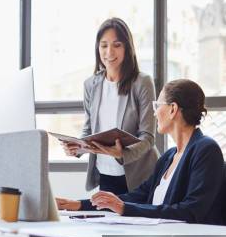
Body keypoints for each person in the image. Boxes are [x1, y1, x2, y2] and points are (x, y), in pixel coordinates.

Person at [57, 79, 225, 225]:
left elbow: (190, 211)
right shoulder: (168, 157)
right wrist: (77, 204)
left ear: (173, 109)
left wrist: (124, 208)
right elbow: (138, 196)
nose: (154, 112)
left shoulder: (205, 150)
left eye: (157, 105)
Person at [61, 18, 159, 195]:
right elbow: (89, 128)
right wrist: (77, 147)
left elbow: (148, 137)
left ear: (127, 48)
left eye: (117, 45)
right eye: (104, 45)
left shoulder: (142, 82)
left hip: (139, 176)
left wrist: (122, 153)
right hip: (105, 175)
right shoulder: (91, 84)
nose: (109, 52)